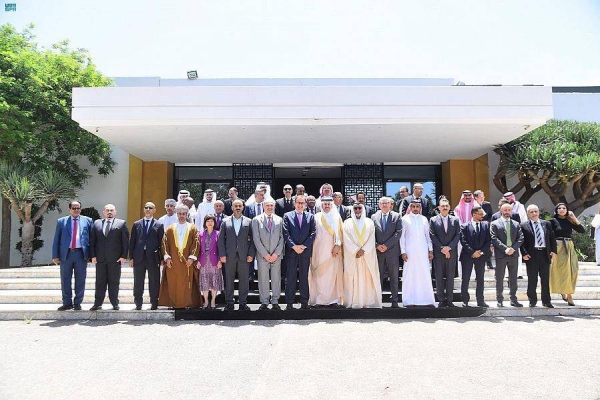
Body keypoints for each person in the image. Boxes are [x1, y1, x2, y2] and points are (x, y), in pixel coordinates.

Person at [52, 200, 93, 311]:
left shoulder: (88, 221)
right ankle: (67, 303)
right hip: (66, 254)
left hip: (81, 254)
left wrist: (92, 255)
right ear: (69, 209)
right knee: (65, 279)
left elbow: (92, 239)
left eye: (78, 208)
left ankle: (78, 303)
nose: (76, 210)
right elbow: (57, 239)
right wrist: (55, 255)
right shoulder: (61, 222)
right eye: (74, 208)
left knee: (80, 279)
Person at [159, 204, 202, 309]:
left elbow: (196, 243)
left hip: (187, 262)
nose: (181, 216)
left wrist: (192, 258)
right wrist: (167, 258)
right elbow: (164, 243)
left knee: (186, 283)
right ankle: (173, 304)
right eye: (179, 214)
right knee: (173, 283)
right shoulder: (170, 228)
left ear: (187, 214)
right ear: (176, 214)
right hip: (173, 263)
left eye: (183, 214)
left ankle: (187, 304)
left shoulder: (192, 228)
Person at [90, 204, 130, 311]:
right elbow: (92, 241)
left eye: (111, 210)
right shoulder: (97, 223)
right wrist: (93, 256)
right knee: (99, 282)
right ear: (104, 212)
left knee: (114, 282)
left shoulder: (121, 223)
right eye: (107, 210)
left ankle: (114, 303)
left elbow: (125, 242)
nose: (109, 212)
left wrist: (123, 257)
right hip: (100, 259)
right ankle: (97, 303)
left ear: (115, 212)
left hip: (115, 259)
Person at [218, 199, 255, 311]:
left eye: (240, 205)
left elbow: (253, 240)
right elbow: (220, 240)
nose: (238, 207)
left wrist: (251, 254)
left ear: (243, 207)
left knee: (244, 280)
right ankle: (229, 302)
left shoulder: (249, 221)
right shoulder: (225, 221)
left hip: (244, 256)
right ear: (232, 208)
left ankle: (243, 303)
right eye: (236, 206)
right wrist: (222, 254)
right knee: (229, 280)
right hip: (229, 256)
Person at [343, 203, 382, 309]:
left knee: (367, 278)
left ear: (363, 209)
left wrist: (363, 250)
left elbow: (372, 238)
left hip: (366, 255)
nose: (357, 210)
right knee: (353, 278)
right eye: (355, 208)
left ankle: (367, 301)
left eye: (359, 208)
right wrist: (356, 250)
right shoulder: (347, 223)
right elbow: (346, 239)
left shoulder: (369, 222)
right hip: (353, 256)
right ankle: (353, 301)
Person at [309, 196, 344, 308]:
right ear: (321, 205)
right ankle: (320, 300)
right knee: (320, 275)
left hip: (333, 252)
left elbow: (341, 233)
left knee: (332, 276)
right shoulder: (316, 217)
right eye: (325, 204)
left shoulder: (337, 217)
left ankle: (333, 300)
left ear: (332, 205)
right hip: (319, 251)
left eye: (329, 204)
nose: (327, 206)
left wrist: (338, 245)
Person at [282, 195, 316, 310]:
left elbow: (313, 233)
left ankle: (304, 301)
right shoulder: (287, 216)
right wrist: (293, 246)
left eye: (302, 203)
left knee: (304, 277)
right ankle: (289, 302)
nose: (300, 205)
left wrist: (304, 246)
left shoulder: (311, 217)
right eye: (298, 203)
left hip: (305, 252)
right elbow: (285, 233)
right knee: (290, 277)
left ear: (305, 205)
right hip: (291, 252)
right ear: (294, 204)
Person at [129, 202, 164, 310]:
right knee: (138, 281)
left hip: (153, 257)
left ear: (154, 210)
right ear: (144, 210)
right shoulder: (136, 224)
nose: (148, 209)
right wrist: (131, 258)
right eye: (146, 208)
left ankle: (154, 302)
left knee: (154, 281)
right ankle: (138, 303)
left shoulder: (159, 225)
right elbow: (132, 242)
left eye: (150, 208)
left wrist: (162, 258)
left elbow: (161, 243)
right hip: (139, 257)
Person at [520, 205, 557, 308]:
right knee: (532, 279)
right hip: (532, 255)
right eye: (531, 212)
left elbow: (552, 238)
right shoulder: (523, 225)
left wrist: (554, 251)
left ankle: (546, 301)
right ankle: (532, 300)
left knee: (545, 279)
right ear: (528, 214)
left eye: (536, 211)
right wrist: (524, 253)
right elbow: (521, 242)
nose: (534, 213)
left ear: (539, 212)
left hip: (545, 254)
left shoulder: (547, 224)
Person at [400, 200, 435, 307]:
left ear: (420, 208)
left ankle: (427, 300)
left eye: (417, 206)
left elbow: (428, 236)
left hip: (423, 251)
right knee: (409, 275)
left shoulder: (424, 219)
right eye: (413, 206)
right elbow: (401, 237)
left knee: (424, 273)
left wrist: (430, 249)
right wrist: (403, 251)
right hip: (410, 251)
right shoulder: (404, 219)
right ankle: (409, 300)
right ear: (410, 207)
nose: (415, 208)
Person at [549, 203, 585, 306]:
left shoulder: (570, 221)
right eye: (559, 208)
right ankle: (567, 294)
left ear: (567, 210)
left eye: (564, 208)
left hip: (569, 246)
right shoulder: (552, 221)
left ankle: (568, 292)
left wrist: (574, 218)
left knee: (572, 270)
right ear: (556, 210)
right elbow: (548, 235)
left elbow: (582, 230)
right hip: (558, 246)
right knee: (560, 270)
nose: (561, 210)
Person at [252, 198, 284, 310]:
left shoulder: (280, 220)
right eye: (267, 205)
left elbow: (282, 238)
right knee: (263, 278)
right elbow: (256, 238)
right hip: (262, 255)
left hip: (276, 255)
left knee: (276, 278)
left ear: (274, 206)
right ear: (263, 207)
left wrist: (276, 253)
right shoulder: (256, 220)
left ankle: (275, 301)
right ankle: (264, 302)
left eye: (271, 205)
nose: (269, 207)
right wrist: (265, 254)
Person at [490, 203, 524, 307]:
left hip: (513, 254)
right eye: (505, 210)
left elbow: (521, 238)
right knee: (500, 278)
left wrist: (513, 248)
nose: (507, 212)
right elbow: (494, 238)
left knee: (513, 278)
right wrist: (505, 249)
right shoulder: (495, 224)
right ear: (501, 210)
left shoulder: (516, 224)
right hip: (501, 254)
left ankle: (513, 299)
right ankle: (499, 299)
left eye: (509, 210)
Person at [429, 198, 461, 307]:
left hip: (451, 253)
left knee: (450, 277)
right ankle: (441, 300)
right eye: (443, 206)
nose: (445, 207)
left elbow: (458, 235)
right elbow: (432, 235)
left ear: (449, 207)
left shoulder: (455, 220)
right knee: (439, 277)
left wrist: (449, 248)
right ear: (439, 208)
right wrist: (442, 248)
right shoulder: (433, 220)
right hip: (438, 253)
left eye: (447, 206)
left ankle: (450, 300)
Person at [372, 196, 402, 308]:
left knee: (394, 277)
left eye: (386, 203)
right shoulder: (373, 217)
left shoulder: (397, 216)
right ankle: (378, 300)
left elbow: (398, 233)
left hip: (392, 252)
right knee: (378, 276)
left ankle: (394, 300)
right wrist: (377, 246)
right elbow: (371, 234)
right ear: (379, 205)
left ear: (390, 205)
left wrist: (386, 245)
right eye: (382, 203)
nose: (384, 205)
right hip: (378, 252)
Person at [459, 206, 491, 307]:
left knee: (480, 279)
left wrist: (480, 252)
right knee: (466, 278)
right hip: (467, 256)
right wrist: (472, 252)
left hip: (481, 257)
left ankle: (480, 300)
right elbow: (463, 241)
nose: (483, 216)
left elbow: (488, 241)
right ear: (474, 214)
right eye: (480, 214)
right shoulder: (464, 226)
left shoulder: (486, 226)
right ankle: (465, 300)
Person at [197, 214, 224, 309]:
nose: (210, 223)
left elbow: (221, 248)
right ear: (205, 223)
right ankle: (206, 300)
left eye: (211, 221)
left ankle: (213, 300)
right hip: (204, 261)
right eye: (208, 221)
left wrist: (220, 260)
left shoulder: (218, 233)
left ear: (214, 223)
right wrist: (198, 261)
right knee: (204, 281)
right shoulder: (200, 234)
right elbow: (198, 250)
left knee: (214, 280)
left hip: (215, 260)